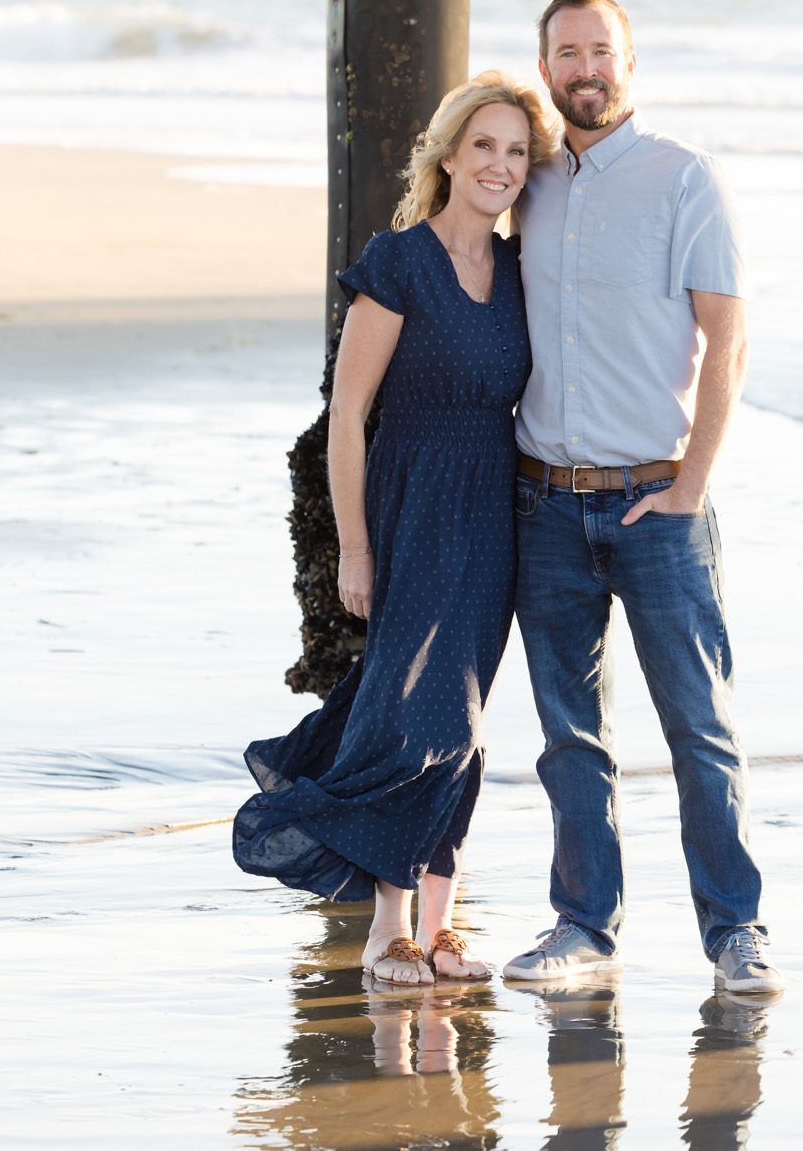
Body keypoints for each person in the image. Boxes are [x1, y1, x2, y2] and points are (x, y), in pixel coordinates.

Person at [235, 70, 557, 985]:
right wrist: (355, 545)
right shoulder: (399, 260)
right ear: (450, 154)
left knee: (462, 713)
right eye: (484, 145)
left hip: (497, 508)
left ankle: (443, 920)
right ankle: (388, 923)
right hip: (412, 499)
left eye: (517, 152)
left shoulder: (521, 274)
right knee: (409, 708)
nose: (499, 164)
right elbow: (346, 417)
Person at [503, 0, 782, 993]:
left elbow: (728, 341)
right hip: (541, 506)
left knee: (698, 729)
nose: (586, 67)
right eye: (567, 52)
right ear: (544, 69)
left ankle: (735, 934)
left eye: (601, 50)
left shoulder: (683, 179)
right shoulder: (523, 185)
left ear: (630, 63)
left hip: (658, 503)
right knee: (570, 738)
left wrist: (691, 485)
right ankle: (582, 931)